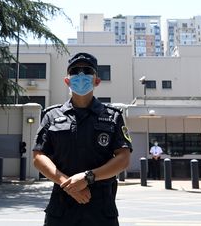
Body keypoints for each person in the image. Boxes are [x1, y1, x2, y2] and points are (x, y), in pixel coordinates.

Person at [33, 52, 133, 226]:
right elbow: (39, 156)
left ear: (96, 80)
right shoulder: (51, 115)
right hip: (61, 207)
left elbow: (123, 158)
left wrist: (88, 178)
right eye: (74, 71)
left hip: (101, 209)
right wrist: (68, 184)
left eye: (87, 71)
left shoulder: (112, 116)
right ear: (67, 80)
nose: (80, 75)